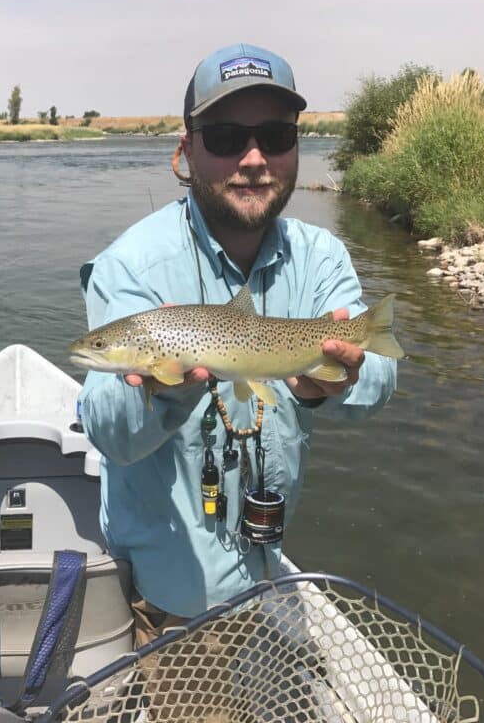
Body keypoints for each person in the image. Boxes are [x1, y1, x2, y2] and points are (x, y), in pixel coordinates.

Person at [77, 42, 397, 649]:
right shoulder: (133, 267)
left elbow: (380, 370)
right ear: (185, 150)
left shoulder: (320, 255)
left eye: (276, 135)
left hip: (269, 568)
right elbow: (107, 429)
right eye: (225, 137)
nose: (254, 159)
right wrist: (167, 394)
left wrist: (339, 380)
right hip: (175, 602)